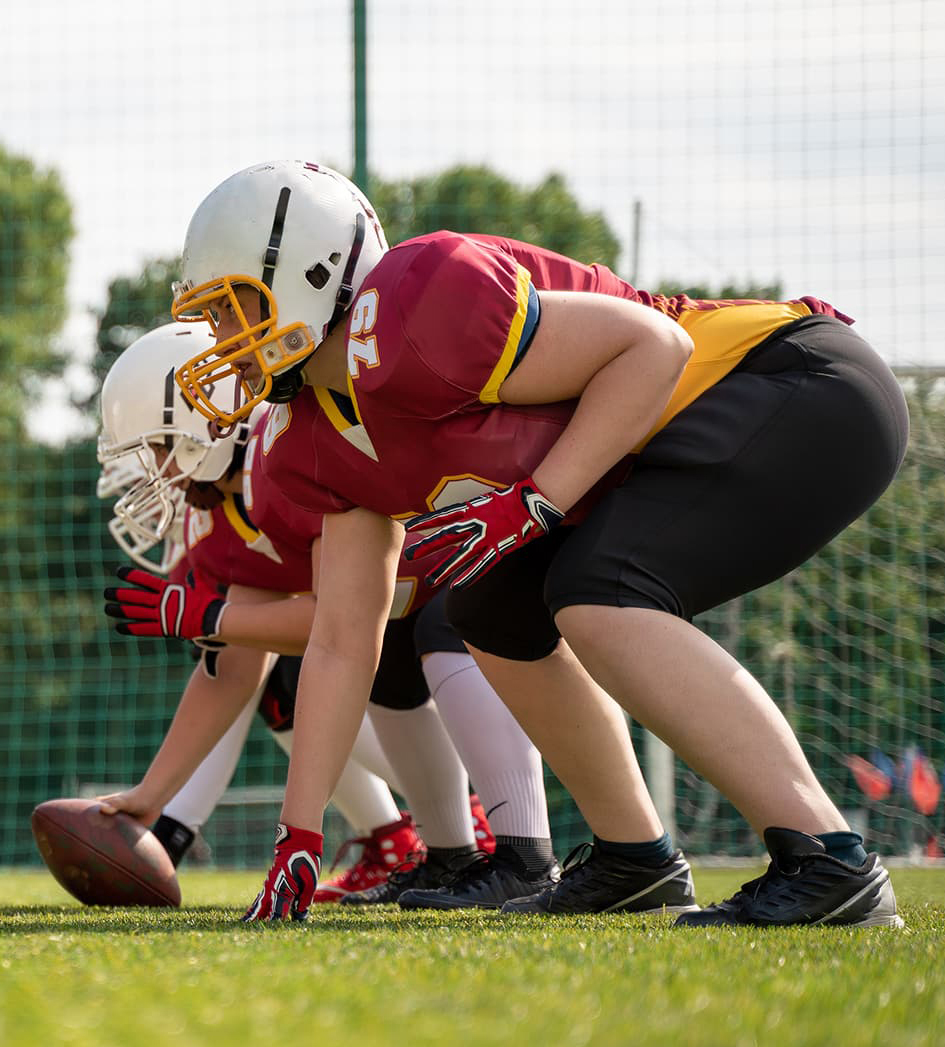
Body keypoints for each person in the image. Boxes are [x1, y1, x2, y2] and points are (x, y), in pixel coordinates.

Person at [160, 159, 906, 926]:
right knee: (493, 612)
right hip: (672, 446)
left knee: (602, 591)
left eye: (231, 308)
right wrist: (301, 834)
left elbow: (655, 347)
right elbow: (345, 641)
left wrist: (536, 505)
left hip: (787, 380)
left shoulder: (416, 299)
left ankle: (827, 858)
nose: (220, 338)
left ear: (310, 274)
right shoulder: (308, 441)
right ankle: (633, 857)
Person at [95, 323, 549, 907]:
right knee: (359, 676)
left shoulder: (284, 459)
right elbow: (233, 672)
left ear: (206, 422)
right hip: (400, 610)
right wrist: (154, 793)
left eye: (156, 446)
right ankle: (448, 853)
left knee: (447, 625)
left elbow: (338, 618)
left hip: (471, 561)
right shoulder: (217, 525)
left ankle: (520, 848)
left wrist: (211, 614)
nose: (153, 472)